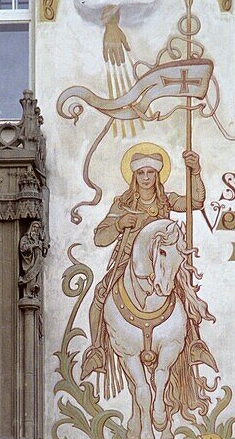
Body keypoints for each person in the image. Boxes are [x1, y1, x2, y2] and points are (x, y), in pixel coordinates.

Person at [80, 144, 216, 410]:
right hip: (128, 261)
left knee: (188, 295)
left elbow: (196, 202)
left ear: (157, 175)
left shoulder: (167, 201)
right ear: (134, 176)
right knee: (100, 294)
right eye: (140, 172)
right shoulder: (123, 203)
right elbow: (100, 237)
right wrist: (120, 224)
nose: (145, 177)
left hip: (163, 263)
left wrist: (196, 172)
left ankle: (195, 343)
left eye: (150, 172)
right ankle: (97, 348)